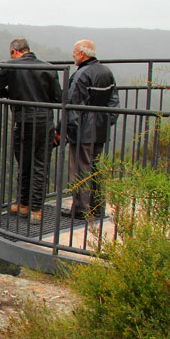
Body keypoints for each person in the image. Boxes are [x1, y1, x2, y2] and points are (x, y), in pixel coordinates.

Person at [0, 38, 62, 224]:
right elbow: (58, 98)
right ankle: (36, 210)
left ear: (14, 51)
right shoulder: (48, 67)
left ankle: (23, 204)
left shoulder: (12, 66)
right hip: (45, 122)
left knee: (24, 163)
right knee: (40, 165)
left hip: (24, 121)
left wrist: (11, 94)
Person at [58, 39, 119, 219]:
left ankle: (80, 209)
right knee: (95, 168)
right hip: (100, 129)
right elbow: (114, 102)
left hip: (83, 131)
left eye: (75, 52)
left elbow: (73, 106)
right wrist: (107, 122)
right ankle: (97, 207)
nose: (73, 55)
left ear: (82, 54)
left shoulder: (81, 75)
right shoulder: (106, 72)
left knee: (80, 170)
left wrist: (69, 131)